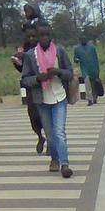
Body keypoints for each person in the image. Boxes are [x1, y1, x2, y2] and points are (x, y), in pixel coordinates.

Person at [21, 22, 74, 178]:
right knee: (50, 135)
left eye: (47, 35)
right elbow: (25, 79)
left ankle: (65, 164)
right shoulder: (31, 55)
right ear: (36, 37)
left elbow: (70, 73)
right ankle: (54, 159)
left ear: (51, 36)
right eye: (41, 35)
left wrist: (58, 72)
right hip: (42, 100)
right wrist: (38, 78)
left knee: (59, 133)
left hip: (59, 97)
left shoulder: (60, 51)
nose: (44, 38)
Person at [11, 23, 45, 154]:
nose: (31, 38)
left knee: (46, 115)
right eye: (28, 36)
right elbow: (22, 71)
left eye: (33, 36)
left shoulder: (44, 48)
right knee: (33, 116)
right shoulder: (22, 50)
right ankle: (40, 136)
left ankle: (51, 141)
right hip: (32, 87)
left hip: (46, 86)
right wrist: (17, 64)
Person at [74, 36, 101, 106]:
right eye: (82, 39)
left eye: (84, 39)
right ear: (80, 40)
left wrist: (98, 71)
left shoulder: (92, 48)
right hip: (84, 69)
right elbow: (75, 58)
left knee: (94, 85)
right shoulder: (77, 49)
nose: (83, 41)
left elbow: (96, 59)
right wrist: (77, 60)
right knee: (87, 83)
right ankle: (89, 99)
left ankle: (95, 98)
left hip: (93, 68)